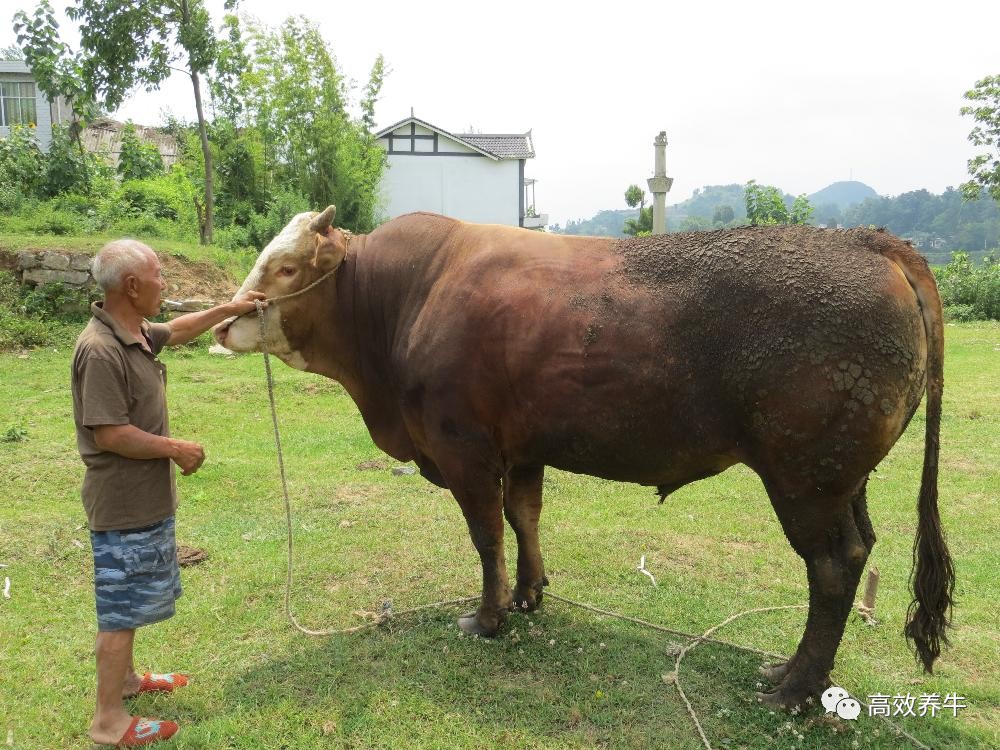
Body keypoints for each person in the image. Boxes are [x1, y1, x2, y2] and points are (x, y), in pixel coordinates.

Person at [71, 239, 265, 747]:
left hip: (144, 498)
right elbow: (109, 433)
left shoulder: (133, 332)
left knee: (131, 602)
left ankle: (130, 683)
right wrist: (174, 447)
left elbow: (177, 330)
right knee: (119, 611)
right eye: (159, 274)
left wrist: (231, 308)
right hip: (121, 502)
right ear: (132, 286)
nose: (166, 282)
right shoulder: (100, 350)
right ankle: (108, 722)